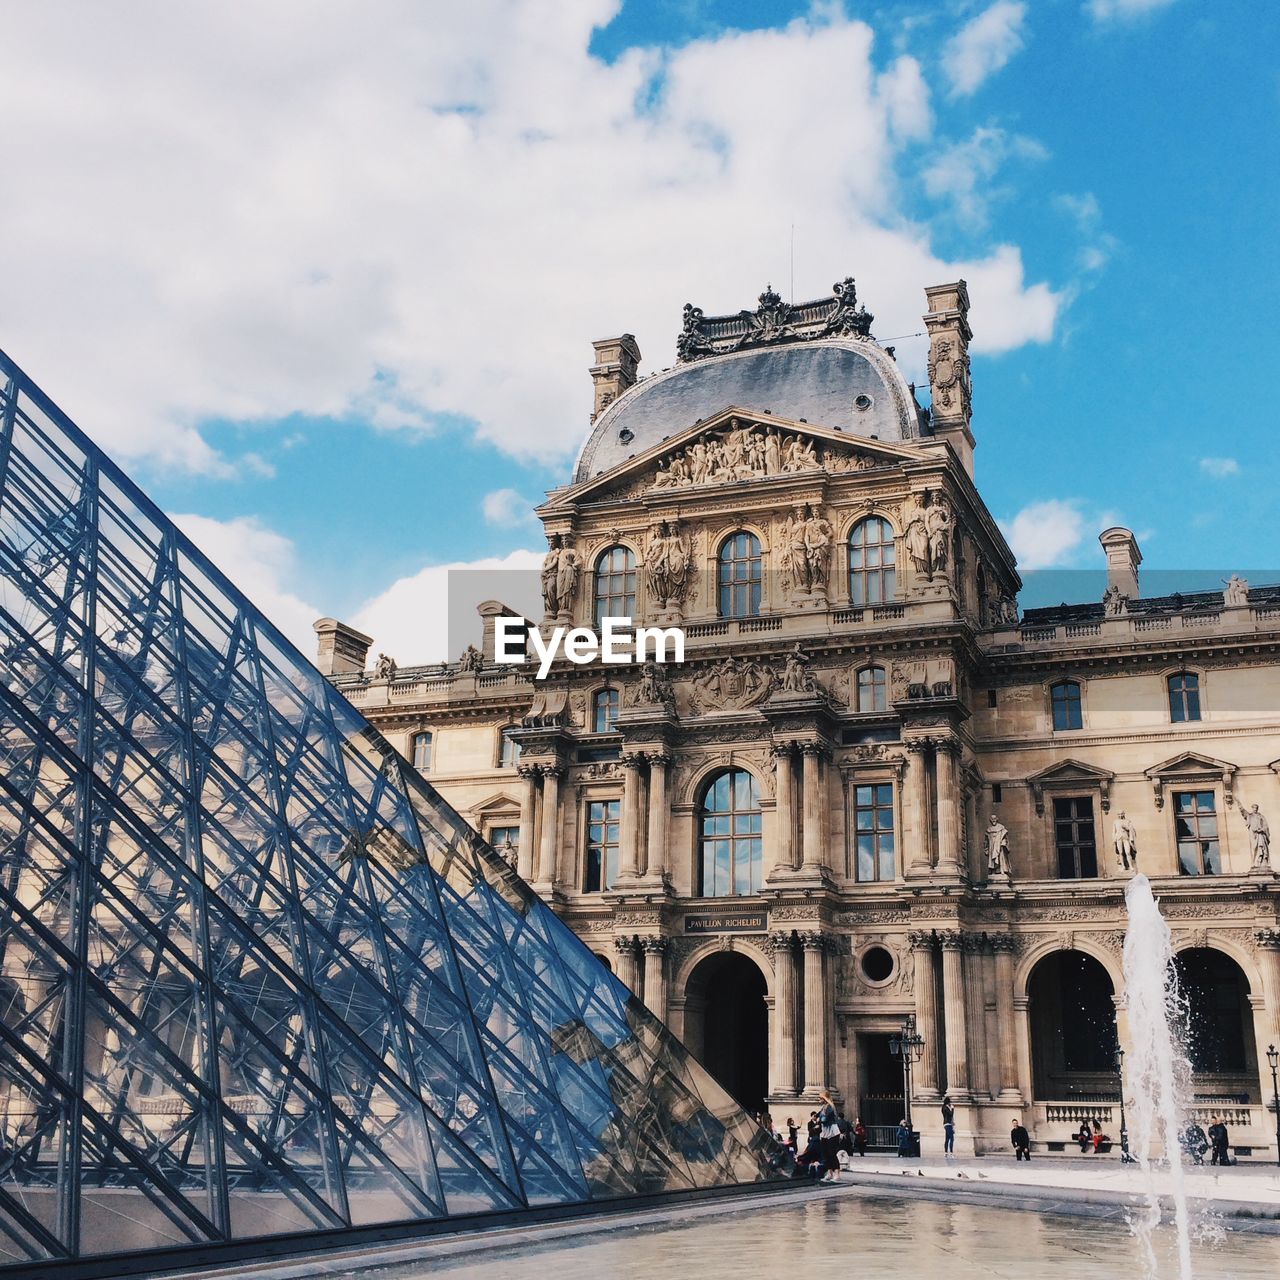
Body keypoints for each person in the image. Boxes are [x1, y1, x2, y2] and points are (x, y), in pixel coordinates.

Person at [817, 1091, 842, 1183]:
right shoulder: (823, 1108)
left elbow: (824, 1119)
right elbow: (818, 1117)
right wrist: (818, 1119)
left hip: (832, 1132)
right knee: (825, 1154)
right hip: (825, 1132)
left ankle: (837, 1173)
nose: (818, 1099)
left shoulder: (830, 1107)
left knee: (832, 1153)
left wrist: (819, 1120)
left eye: (820, 1098)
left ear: (824, 1098)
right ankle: (830, 1172)